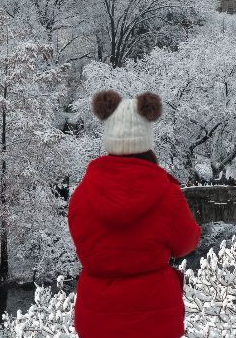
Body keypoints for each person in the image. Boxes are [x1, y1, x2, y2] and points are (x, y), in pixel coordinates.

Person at [68, 90, 201, 338]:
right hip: (154, 317)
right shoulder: (167, 194)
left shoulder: (82, 195)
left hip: (98, 316)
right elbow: (187, 243)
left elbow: (82, 243)